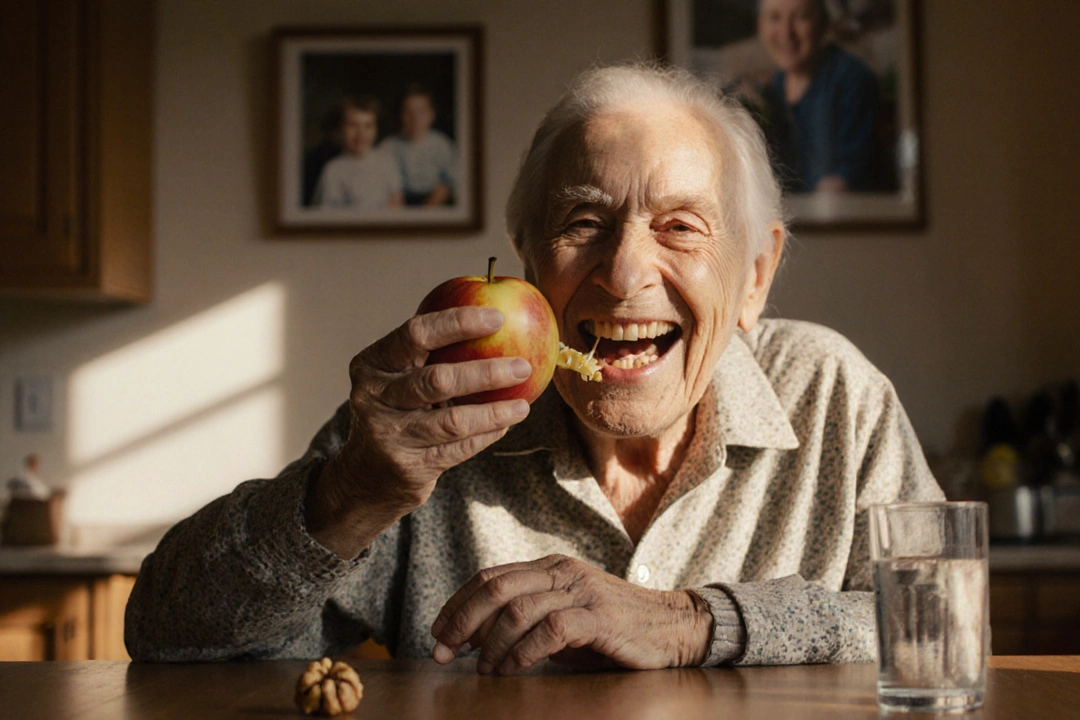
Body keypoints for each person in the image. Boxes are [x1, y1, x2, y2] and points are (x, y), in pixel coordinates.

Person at [125, 63, 941, 672]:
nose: (624, 275)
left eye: (681, 227)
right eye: (583, 221)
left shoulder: (838, 397)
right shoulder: (421, 423)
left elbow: (940, 628)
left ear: (755, 275)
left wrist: (697, 621)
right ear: (524, 261)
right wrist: (339, 500)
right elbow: (167, 638)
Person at [756, 0, 880, 193]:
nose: (786, 32)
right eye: (775, 17)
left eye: (801, 17)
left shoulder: (851, 79)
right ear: (761, 26)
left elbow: (847, 178)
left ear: (823, 24)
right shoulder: (773, 87)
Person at [312, 96, 404, 209]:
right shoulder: (333, 169)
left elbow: (396, 202)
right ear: (341, 129)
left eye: (368, 126)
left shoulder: (387, 162)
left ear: (376, 129)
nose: (361, 133)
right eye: (353, 125)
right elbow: (325, 212)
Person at [378, 85, 458, 206]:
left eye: (421, 111)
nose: (415, 118)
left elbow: (452, 180)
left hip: (433, 199)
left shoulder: (442, 144)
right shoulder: (389, 145)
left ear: (431, 114)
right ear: (400, 115)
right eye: (408, 112)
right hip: (400, 200)